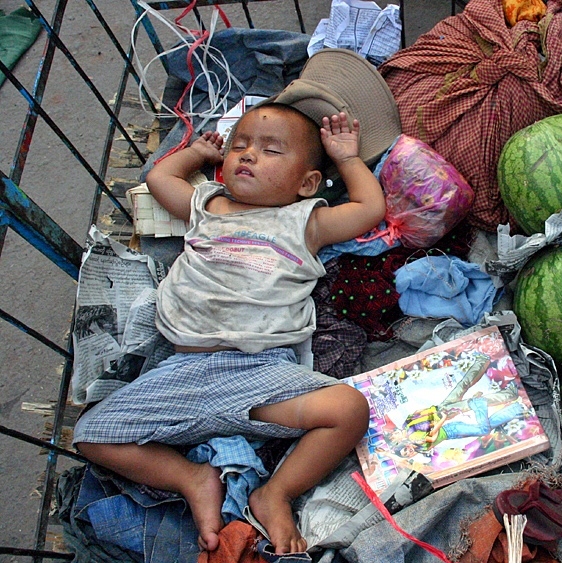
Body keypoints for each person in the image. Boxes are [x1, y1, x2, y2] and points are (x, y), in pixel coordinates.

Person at [72, 103, 385, 556]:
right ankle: (191, 477)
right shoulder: (208, 206)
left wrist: (347, 157)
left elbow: (369, 208)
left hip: (260, 372)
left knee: (350, 409)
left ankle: (274, 493)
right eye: (240, 146)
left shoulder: (304, 222)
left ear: (307, 183)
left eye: (269, 149)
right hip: (184, 371)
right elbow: (161, 181)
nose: (248, 155)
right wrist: (198, 152)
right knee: (91, 434)